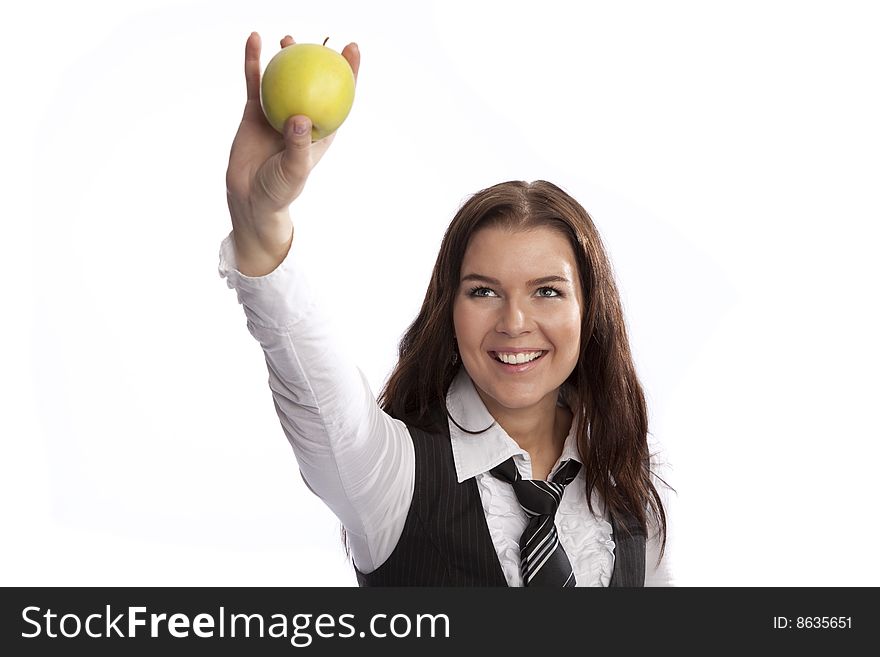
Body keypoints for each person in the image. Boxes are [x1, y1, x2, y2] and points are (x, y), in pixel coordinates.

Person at [220, 32, 673, 586]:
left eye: (547, 291)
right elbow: (314, 384)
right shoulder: (390, 475)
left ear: (590, 311)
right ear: (448, 310)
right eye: (482, 291)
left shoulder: (628, 485)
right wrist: (261, 225)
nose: (514, 322)